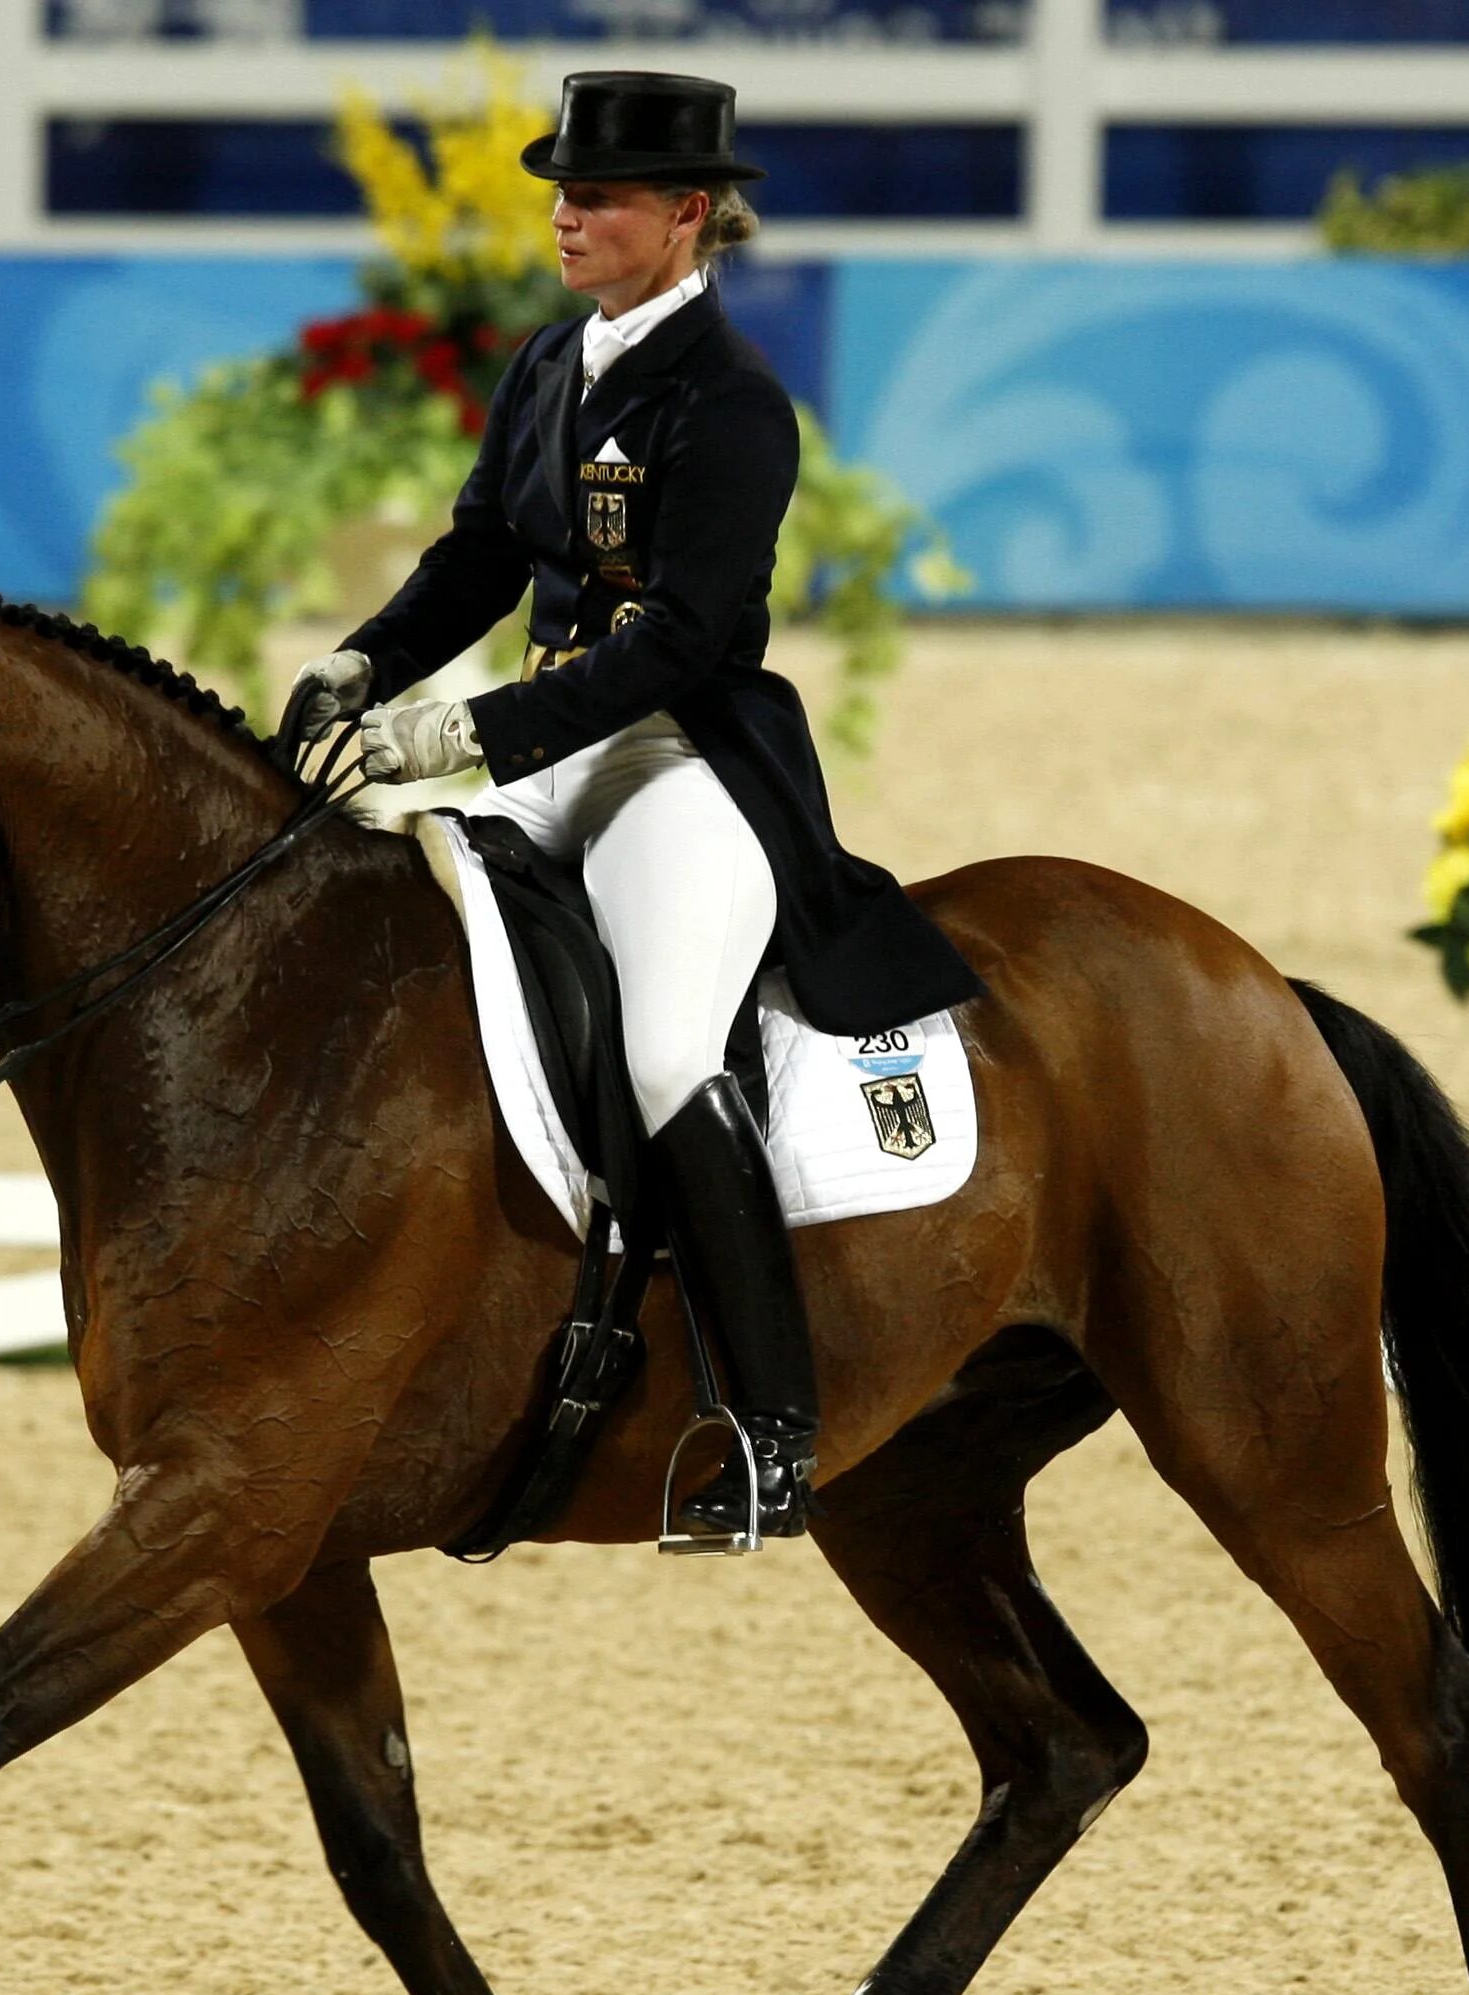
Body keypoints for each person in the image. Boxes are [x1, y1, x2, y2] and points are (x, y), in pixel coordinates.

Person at [296, 69, 983, 1543]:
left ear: (688, 216)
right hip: (550, 753)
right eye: (561, 190)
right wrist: (365, 663)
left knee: (670, 1047)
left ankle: (774, 1425)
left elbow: (684, 639)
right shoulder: (552, 363)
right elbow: (481, 555)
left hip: (676, 762)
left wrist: (463, 730)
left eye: (598, 196)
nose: (567, 216)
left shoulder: (732, 405)